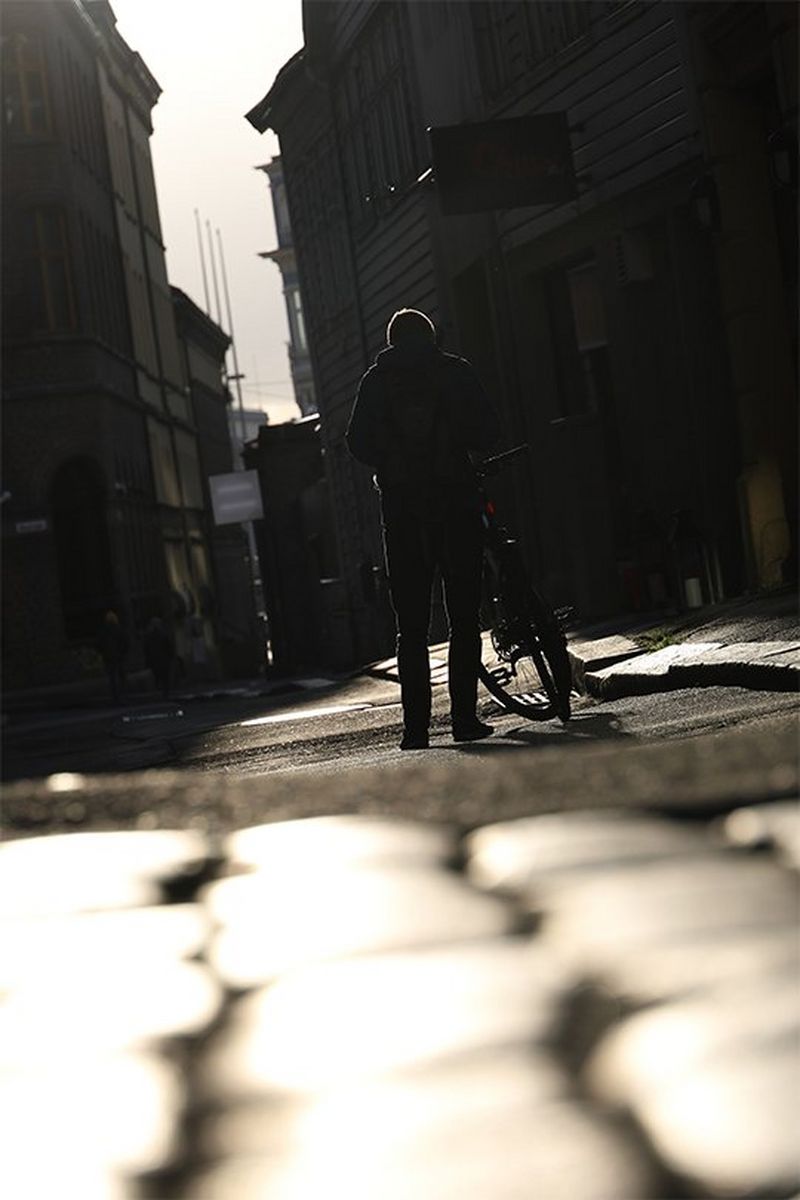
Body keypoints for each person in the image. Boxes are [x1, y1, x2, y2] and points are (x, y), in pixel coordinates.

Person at [347, 308, 500, 749]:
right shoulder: (455, 372)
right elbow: (488, 430)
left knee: (411, 625)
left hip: (403, 515)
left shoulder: (376, 381)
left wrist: (391, 462)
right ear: (431, 336)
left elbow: (356, 442)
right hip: (456, 506)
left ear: (393, 341)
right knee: (464, 617)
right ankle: (464, 719)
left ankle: (415, 730)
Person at [96, 610, 129, 705]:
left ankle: (115, 697)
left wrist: (104, 653)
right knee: (121, 677)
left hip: (109, 658)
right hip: (119, 657)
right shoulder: (119, 629)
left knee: (113, 678)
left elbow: (99, 644)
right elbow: (126, 642)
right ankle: (123, 696)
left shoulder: (103, 631)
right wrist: (123, 653)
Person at [143, 616, 175, 698]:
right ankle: (165, 693)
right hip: (163, 659)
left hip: (155, 659)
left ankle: (159, 692)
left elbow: (146, 648)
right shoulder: (163, 634)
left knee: (157, 677)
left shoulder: (149, 635)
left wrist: (148, 659)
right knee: (165, 678)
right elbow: (168, 646)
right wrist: (171, 656)